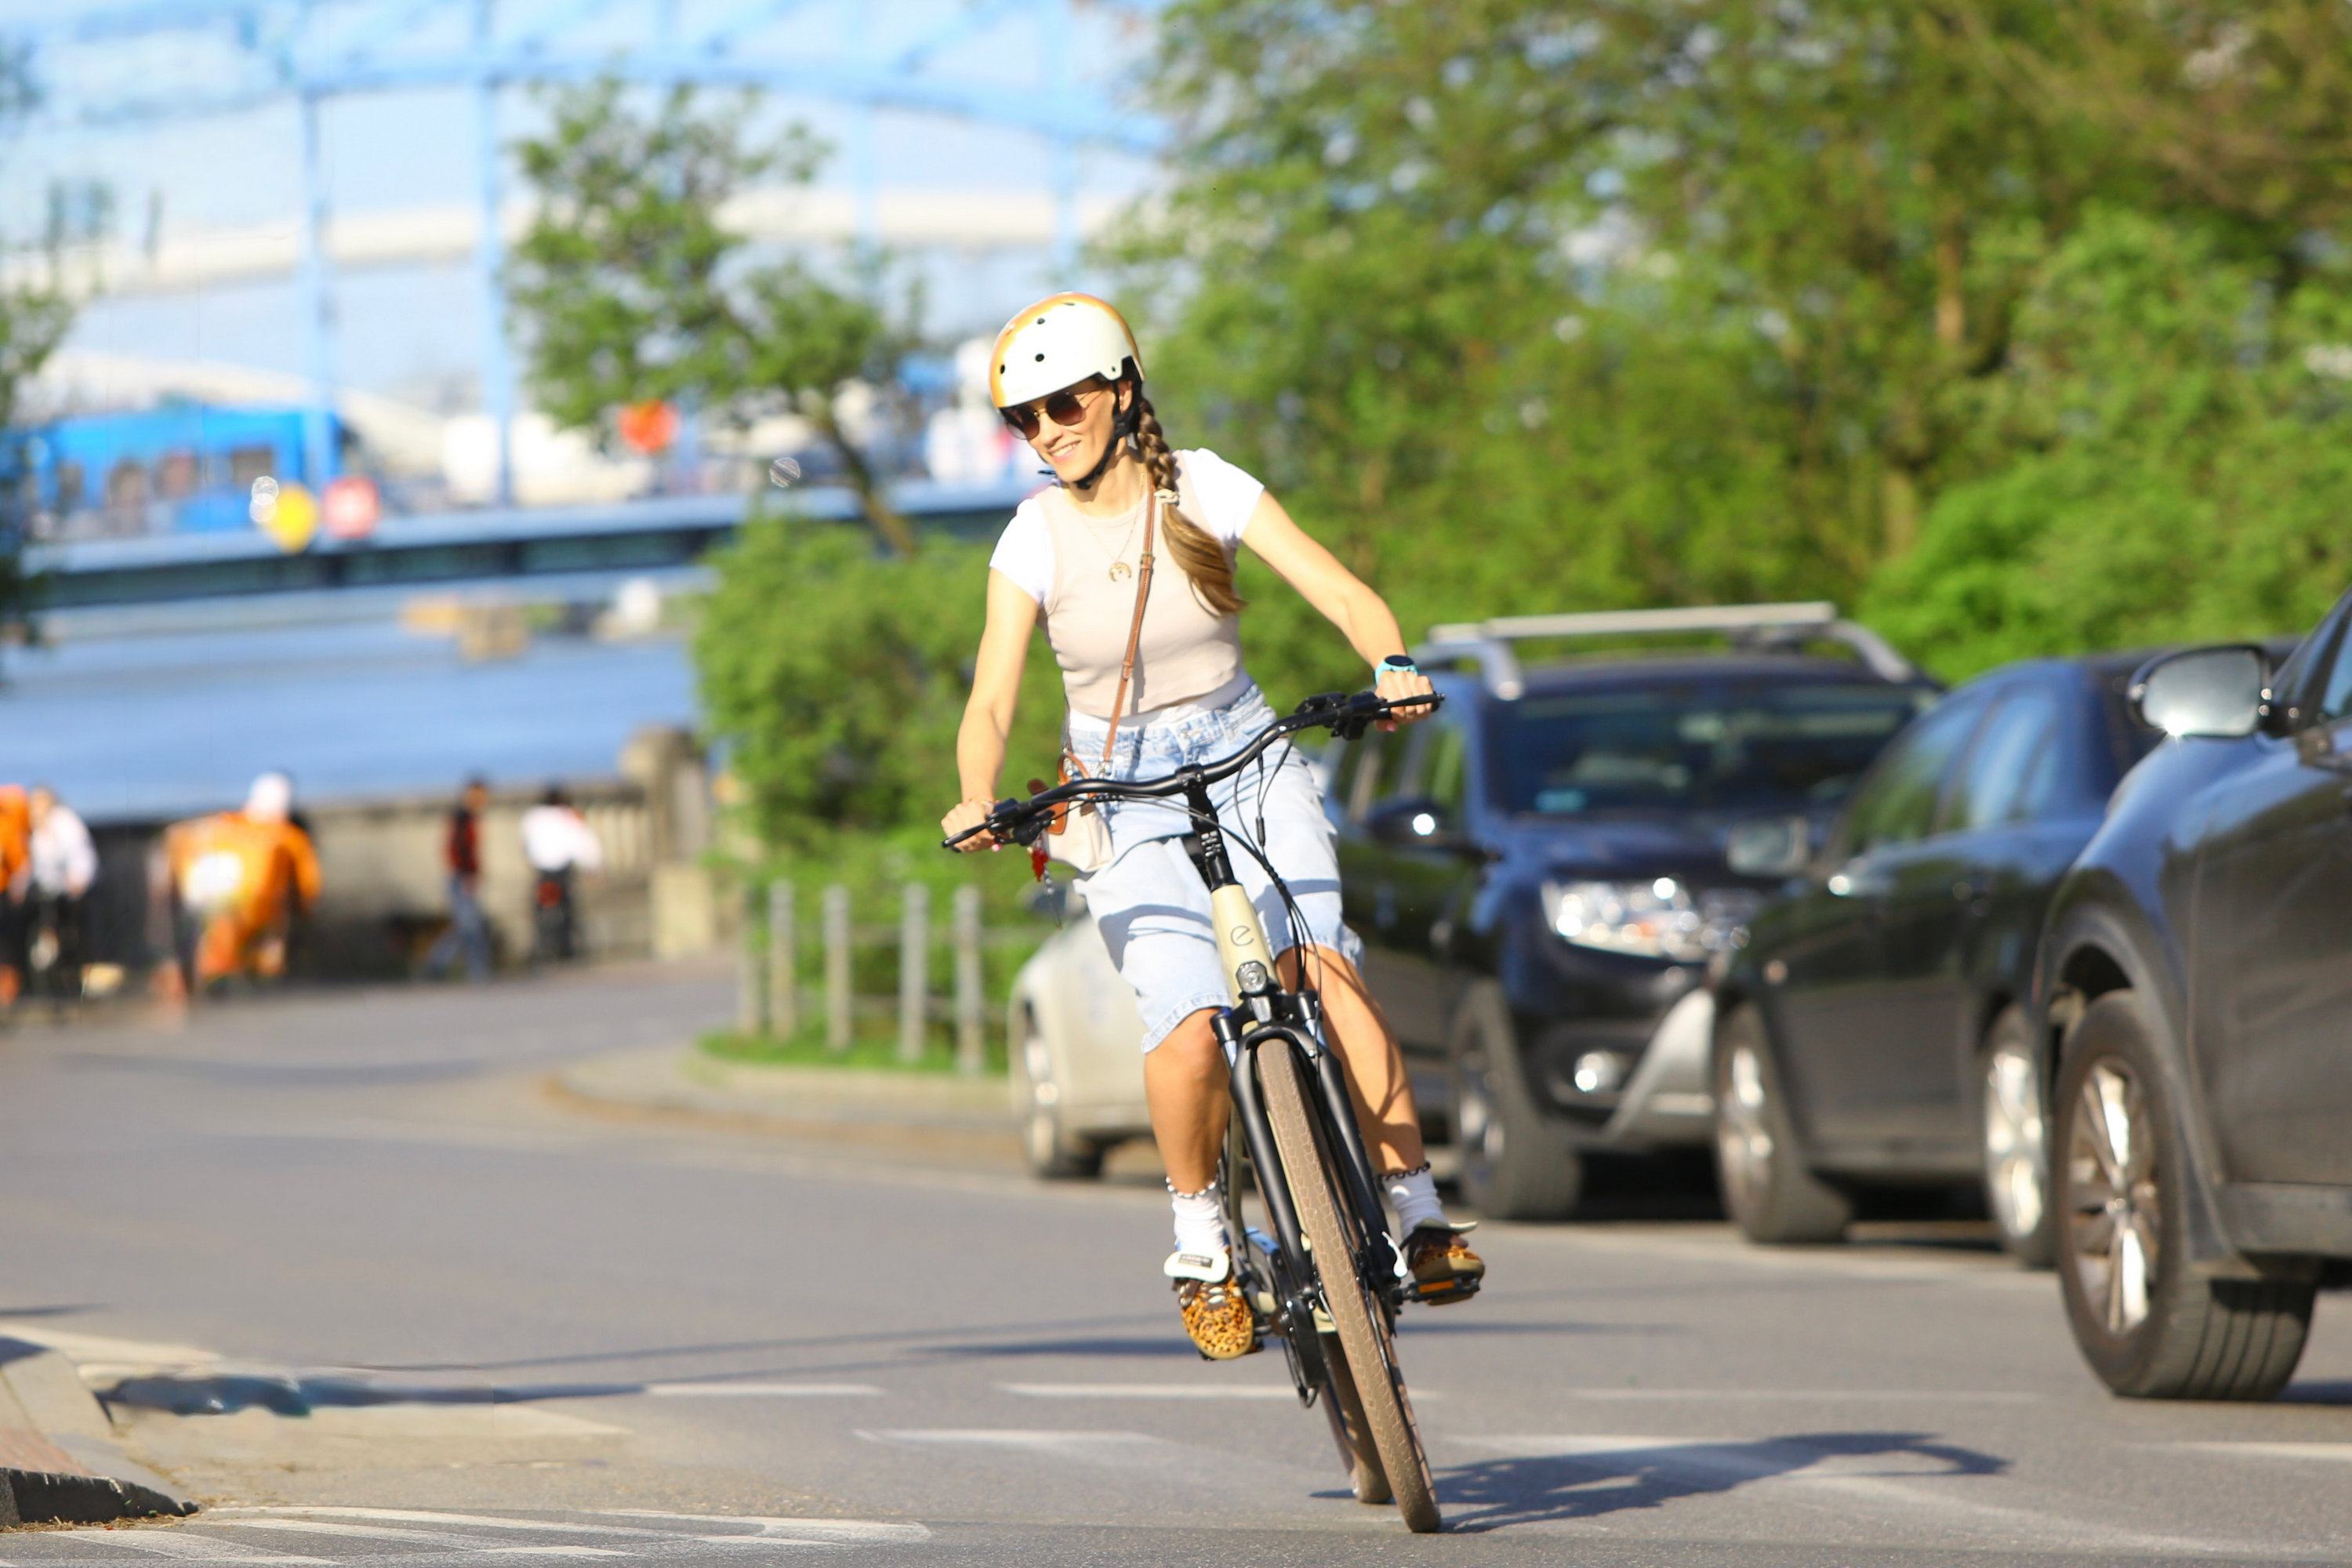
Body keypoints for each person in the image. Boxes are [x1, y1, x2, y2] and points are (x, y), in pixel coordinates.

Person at [942, 293, 1484, 1359]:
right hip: (1119, 792)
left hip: (1248, 754)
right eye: (1025, 419)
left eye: (1064, 404)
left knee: (1324, 968)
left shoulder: (1206, 484)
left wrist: (1391, 662)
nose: (1047, 431)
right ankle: (1203, 1244)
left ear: (1120, 389)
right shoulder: (1032, 537)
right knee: (1189, 1022)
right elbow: (991, 697)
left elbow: (1340, 590)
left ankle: (1418, 1212)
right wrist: (975, 792)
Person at [164, 772, 322, 993]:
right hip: (249, 903)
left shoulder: (221, 825)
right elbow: (309, 887)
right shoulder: (289, 838)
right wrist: (306, 910)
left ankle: (208, 972)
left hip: (207, 895)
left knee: (215, 930)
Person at [27, 786, 98, 1000]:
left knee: (74, 941)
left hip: (70, 896)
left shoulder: (65, 822)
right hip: (44, 896)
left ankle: (77, 987)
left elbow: (81, 855)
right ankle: (49, 987)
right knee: (45, 942)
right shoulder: (32, 826)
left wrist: (77, 878)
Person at [521, 784, 603, 963]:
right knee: (568, 911)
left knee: (542, 912)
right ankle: (567, 949)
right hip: (562, 871)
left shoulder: (533, 816)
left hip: (543, 871)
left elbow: (526, 844)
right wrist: (592, 866)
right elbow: (582, 842)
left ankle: (542, 949)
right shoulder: (568, 815)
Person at [424, 776, 493, 982]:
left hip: (463, 877)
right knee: (470, 928)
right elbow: (458, 850)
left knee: (465, 927)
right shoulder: (463, 818)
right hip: (462, 878)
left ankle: (437, 965)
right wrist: (467, 875)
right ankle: (474, 971)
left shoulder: (466, 817)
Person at [0, 785, 29, 1009]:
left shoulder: (9, 821)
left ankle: (8, 993)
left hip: (4, 892)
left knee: (7, 946)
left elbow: (19, 861)